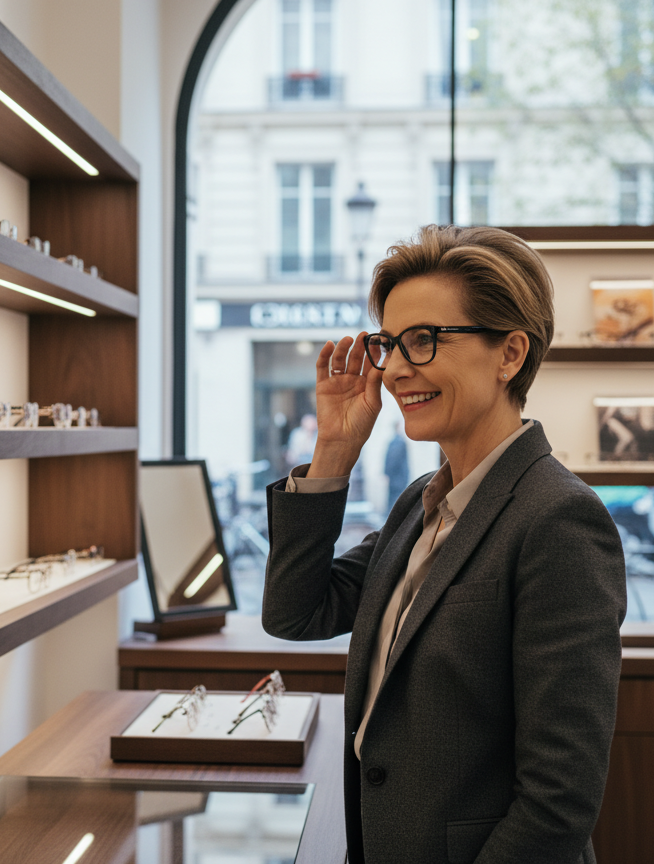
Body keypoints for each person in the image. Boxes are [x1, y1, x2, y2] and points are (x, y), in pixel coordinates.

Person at [261, 225, 627, 863]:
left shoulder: (559, 519)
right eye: (389, 344)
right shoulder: (420, 502)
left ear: (509, 354)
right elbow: (296, 612)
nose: (397, 368)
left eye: (424, 341)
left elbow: (558, 800)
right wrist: (334, 455)